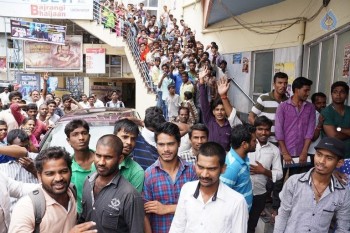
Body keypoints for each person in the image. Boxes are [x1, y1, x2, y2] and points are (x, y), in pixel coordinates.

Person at [9, 147, 96, 233]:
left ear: (70, 171)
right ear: (39, 176)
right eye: (50, 174)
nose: (58, 178)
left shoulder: (71, 191)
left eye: (63, 171)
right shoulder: (27, 208)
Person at [274, 137, 350, 233]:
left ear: (339, 163)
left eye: (329, 158)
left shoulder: (343, 193)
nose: (321, 161)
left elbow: (343, 227)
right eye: (319, 154)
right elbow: (282, 216)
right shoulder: (294, 182)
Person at [169, 142, 248, 233]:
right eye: (200, 167)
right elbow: (178, 227)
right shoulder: (187, 189)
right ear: (195, 165)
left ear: (223, 169)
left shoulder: (237, 202)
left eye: (212, 169)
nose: (204, 174)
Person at [78, 135, 144, 232]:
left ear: (120, 159)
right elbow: (84, 219)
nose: (101, 162)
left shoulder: (129, 195)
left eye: (108, 157)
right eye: (98, 155)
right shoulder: (87, 182)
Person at [143, 122, 197, 233]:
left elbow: (199, 206)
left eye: (170, 144)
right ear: (156, 145)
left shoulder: (192, 171)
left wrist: (166, 208)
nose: (166, 149)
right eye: (161, 144)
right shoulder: (149, 175)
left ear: (179, 143)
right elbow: (146, 215)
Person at [247, 116, 283, 233]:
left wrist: (264, 171)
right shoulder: (247, 144)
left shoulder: (274, 150)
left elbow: (279, 174)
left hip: (260, 194)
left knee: (252, 225)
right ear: (255, 130)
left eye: (267, 129)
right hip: (242, 191)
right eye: (260, 129)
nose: (264, 132)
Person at [199, 68, 242, 151]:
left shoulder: (231, 124)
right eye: (217, 110)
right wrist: (201, 81)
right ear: (213, 112)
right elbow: (203, 102)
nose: (219, 112)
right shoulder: (209, 121)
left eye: (222, 109)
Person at [220, 123, 256, 210]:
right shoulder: (232, 168)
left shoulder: (242, 157)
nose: (256, 143)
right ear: (244, 144)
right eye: (254, 141)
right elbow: (222, 197)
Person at [248, 72, 288, 144]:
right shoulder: (264, 98)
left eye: (285, 83)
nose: (283, 85)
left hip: (282, 142)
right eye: (280, 83)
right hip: (265, 141)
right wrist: (261, 131)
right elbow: (251, 117)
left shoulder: (288, 101)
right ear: (274, 84)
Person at [65, 119, 95, 214]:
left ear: (89, 137)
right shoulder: (66, 167)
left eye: (84, 133)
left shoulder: (102, 160)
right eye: (75, 134)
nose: (81, 138)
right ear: (68, 141)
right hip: (79, 218)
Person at [114, 119, 145, 192]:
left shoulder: (137, 172)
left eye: (133, 139)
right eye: (125, 137)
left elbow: (132, 201)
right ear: (114, 136)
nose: (129, 142)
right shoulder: (99, 161)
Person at [321, 81, 350, 159]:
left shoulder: (349, 110)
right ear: (331, 94)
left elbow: (336, 133)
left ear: (347, 95)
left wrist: (339, 129)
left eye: (342, 92)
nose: (338, 95)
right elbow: (333, 136)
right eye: (335, 92)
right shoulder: (326, 112)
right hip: (332, 155)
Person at [308, 92, 327, 164]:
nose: (322, 105)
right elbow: (312, 137)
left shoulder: (325, 113)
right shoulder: (312, 115)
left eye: (324, 103)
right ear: (313, 104)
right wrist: (320, 124)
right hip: (311, 150)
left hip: (322, 150)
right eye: (319, 103)